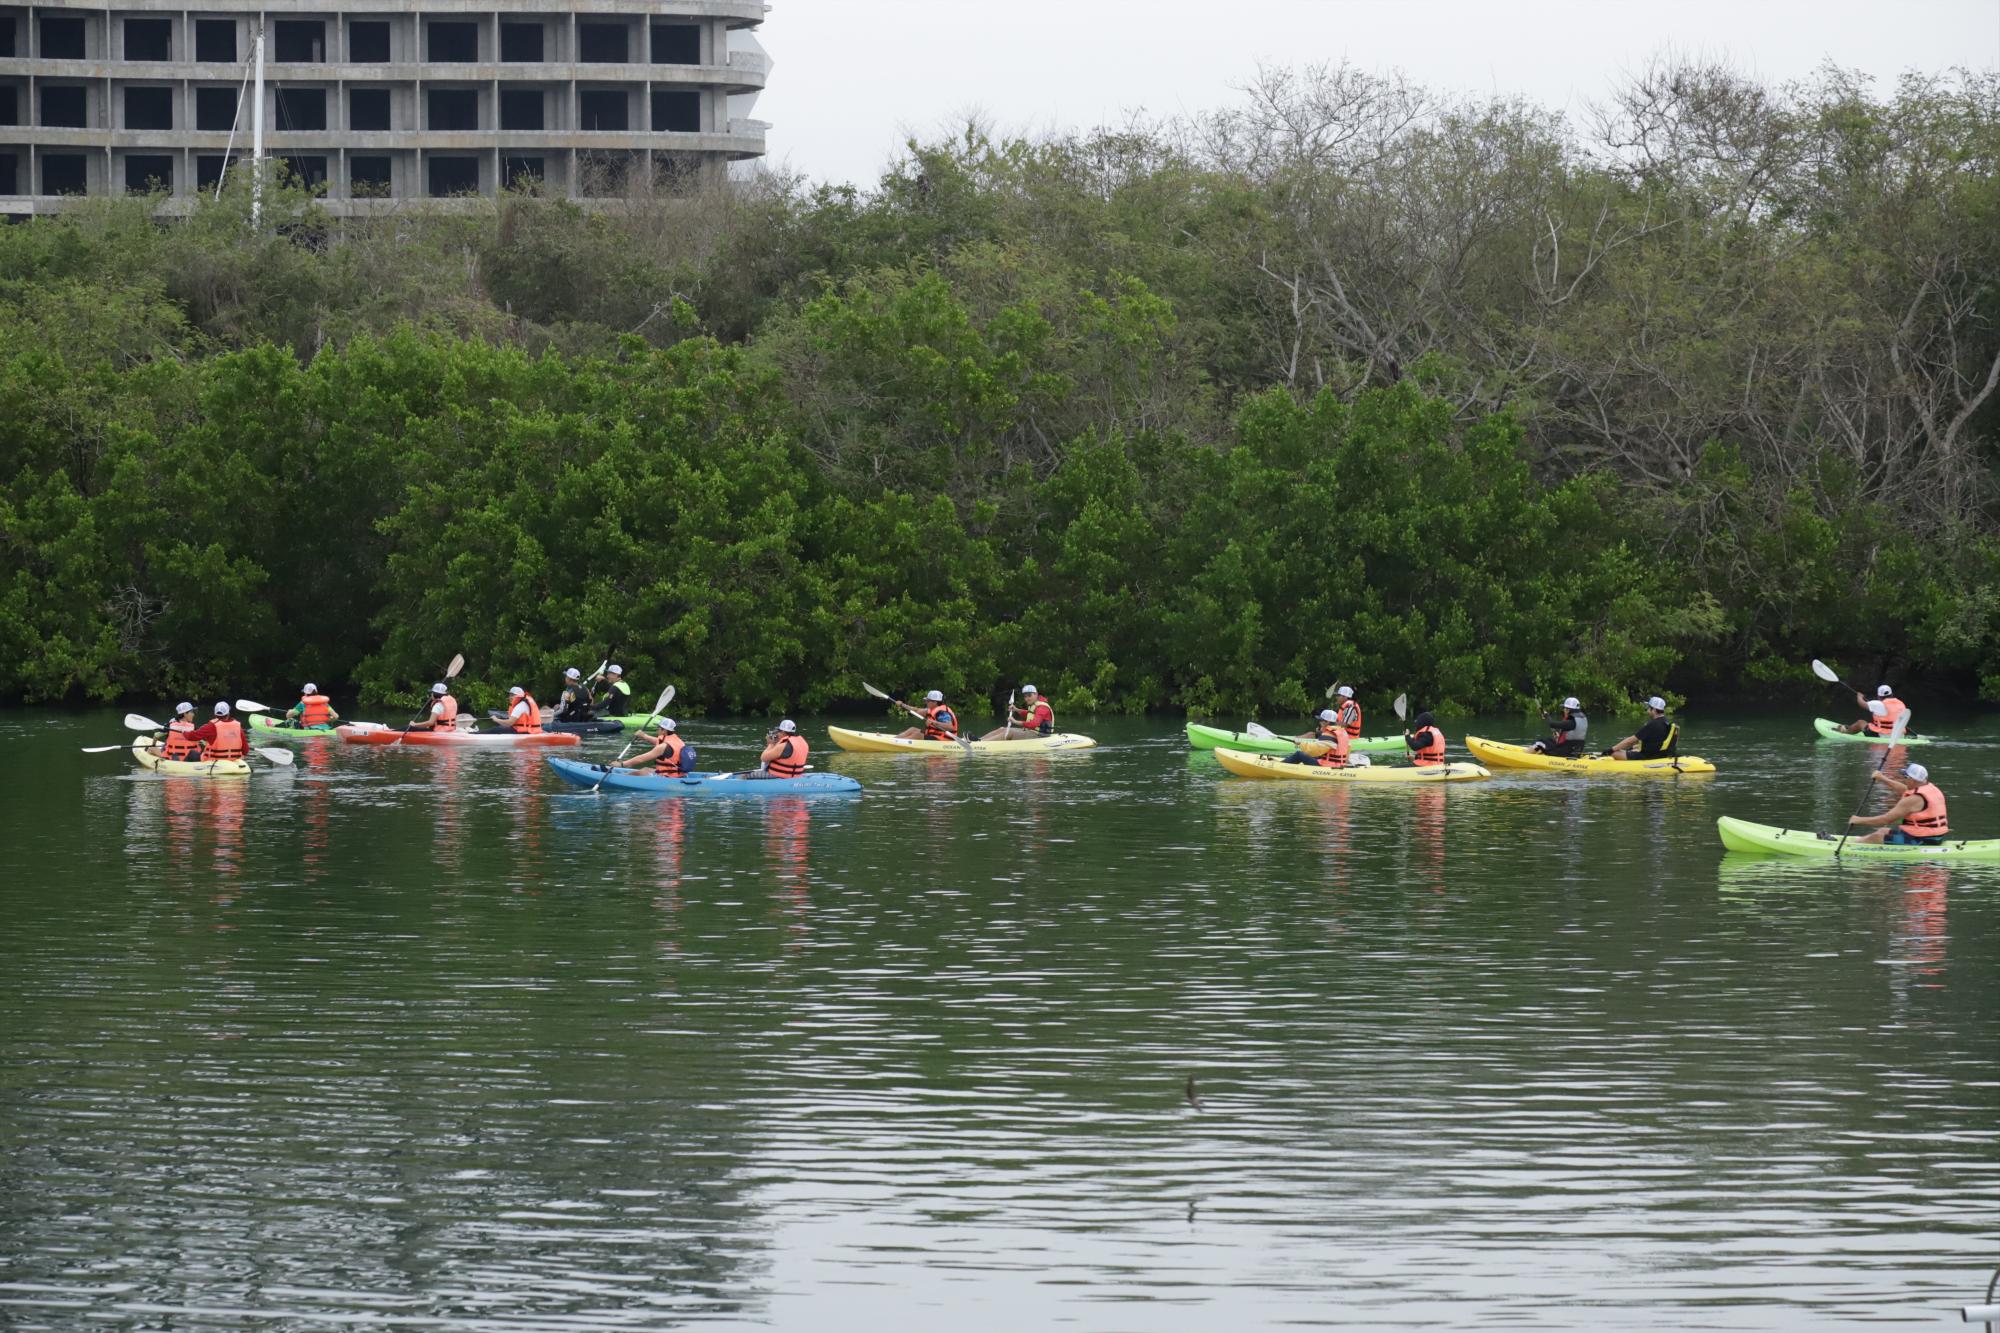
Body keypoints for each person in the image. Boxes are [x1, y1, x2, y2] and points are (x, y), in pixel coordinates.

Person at [1847, 762, 1949, 845]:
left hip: (1923, 840)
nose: (1903, 779)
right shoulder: (1930, 788)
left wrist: (1858, 820)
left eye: (1905, 777)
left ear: (1911, 779)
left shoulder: (1912, 800)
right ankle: (1857, 841)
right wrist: (1883, 778)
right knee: (1883, 831)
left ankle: (1852, 845)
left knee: (1877, 837)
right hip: (1934, 836)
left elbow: (1885, 819)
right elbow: (1904, 789)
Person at [616, 717, 692, 777]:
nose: (657, 729)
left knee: (642, 772)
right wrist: (644, 736)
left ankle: (619, 778)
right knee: (645, 770)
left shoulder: (663, 747)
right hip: (679, 775)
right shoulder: (678, 741)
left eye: (658, 728)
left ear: (664, 730)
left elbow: (641, 759)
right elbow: (657, 741)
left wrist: (622, 764)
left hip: (668, 777)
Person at [1609, 696, 1678, 760]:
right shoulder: (1665, 722)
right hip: (1658, 754)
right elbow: (1654, 742)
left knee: (1614, 753)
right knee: (1633, 748)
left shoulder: (1652, 724)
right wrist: (1632, 748)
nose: (1647, 710)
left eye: (1648, 708)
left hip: (1647, 756)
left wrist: (1611, 750)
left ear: (1653, 710)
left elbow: (1630, 741)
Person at [980, 684, 1055, 741]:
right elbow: (1029, 714)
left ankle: (982, 744)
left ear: (1036, 694)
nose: (1027, 698)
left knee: (1009, 732)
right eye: (1025, 696)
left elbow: (1033, 724)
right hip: (1032, 732)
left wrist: (1015, 721)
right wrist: (1017, 710)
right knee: (1002, 729)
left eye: (1029, 695)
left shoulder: (1042, 707)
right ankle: (978, 740)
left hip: (1040, 735)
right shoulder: (1035, 704)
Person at [178, 701, 248, 761]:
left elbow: (192, 736)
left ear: (215, 714)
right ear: (228, 714)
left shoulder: (211, 726)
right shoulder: (238, 726)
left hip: (214, 761)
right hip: (234, 761)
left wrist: (184, 732)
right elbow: (245, 750)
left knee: (192, 753)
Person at [1285, 708, 1351, 767]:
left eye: (1321, 720)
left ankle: (1280, 766)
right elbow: (1348, 748)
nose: (1319, 722)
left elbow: (1315, 750)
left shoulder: (1330, 734)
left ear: (1327, 722)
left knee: (1299, 754)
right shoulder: (1342, 732)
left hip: (1327, 765)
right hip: (1339, 764)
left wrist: (1301, 743)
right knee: (1312, 756)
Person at [1838, 684, 1908, 736]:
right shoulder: (1901, 704)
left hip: (1882, 735)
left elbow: (1862, 704)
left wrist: (1859, 696)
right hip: (1899, 734)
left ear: (1879, 696)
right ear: (1892, 694)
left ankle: (1845, 732)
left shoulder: (1878, 704)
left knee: (1861, 723)